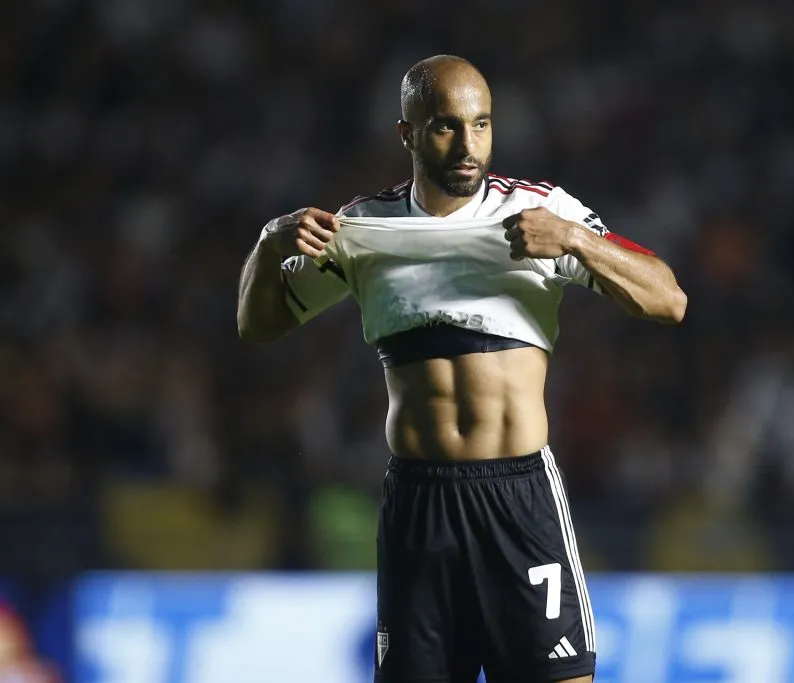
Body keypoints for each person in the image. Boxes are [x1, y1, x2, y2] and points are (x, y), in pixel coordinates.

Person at [237, 54, 686, 683]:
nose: (467, 143)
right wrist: (270, 243)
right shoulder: (365, 228)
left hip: (519, 497)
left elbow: (669, 299)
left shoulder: (541, 213)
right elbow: (259, 325)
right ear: (407, 134)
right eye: (446, 126)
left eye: (481, 124)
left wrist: (578, 241)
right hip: (420, 505)